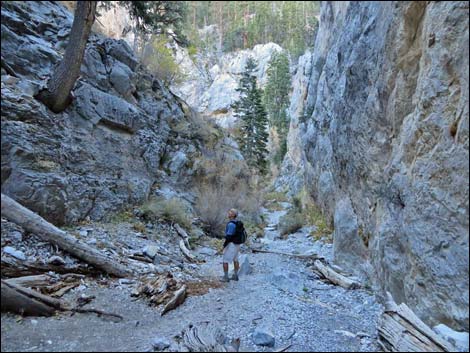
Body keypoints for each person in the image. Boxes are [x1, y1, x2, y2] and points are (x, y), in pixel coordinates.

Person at [221, 208, 241, 282]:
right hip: (237, 244)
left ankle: (226, 277)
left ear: (233, 214)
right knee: (236, 260)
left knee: (225, 260)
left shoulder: (231, 224)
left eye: (230, 212)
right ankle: (235, 276)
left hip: (231, 244)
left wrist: (224, 246)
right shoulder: (237, 222)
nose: (228, 213)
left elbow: (229, 237)